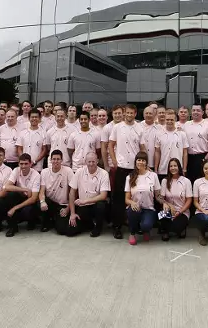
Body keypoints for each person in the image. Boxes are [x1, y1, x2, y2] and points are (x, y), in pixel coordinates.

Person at [109, 104, 144, 239]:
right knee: (118, 198)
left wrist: (144, 166)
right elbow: (111, 145)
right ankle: (117, 226)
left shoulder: (139, 128)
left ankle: (135, 225)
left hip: (135, 169)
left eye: (131, 113)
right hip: (121, 168)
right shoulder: (117, 128)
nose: (129, 115)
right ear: (124, 113)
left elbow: (142, 148)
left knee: (136, 197)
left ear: (135, 113)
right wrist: (114, 161)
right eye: (127, 113)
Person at [62, 152, 110, 237]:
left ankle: (98, 228)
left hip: (96, 205)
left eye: (93, 161)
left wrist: (85, 201)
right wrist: (72, 213)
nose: (91, 164)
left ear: (97, 161)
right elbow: (72, 193)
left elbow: (103, 195)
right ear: (85, 162)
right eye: (89, 161)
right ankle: (88, 224)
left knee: (101, 205)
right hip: (83, 207)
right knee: (70, 232)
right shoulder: (79, 172)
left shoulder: (104, 174)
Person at [0, 153, 41, 236]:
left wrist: (15, 208)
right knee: (7, 198)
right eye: (21, 164)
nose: (23, 166)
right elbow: (7, 186)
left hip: (30, 200)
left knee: (28, 211)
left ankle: (32, 221)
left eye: (26, 164)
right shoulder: (16, 170)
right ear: (18, 164)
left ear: (30, 164)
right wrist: (24, 189)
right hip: (21, 196)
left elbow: (33, 198)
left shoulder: (36, 175)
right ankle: (12, 227)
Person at [125, 152, 161, 245]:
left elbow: (158, 195)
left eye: (143, 160)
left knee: (146, 225)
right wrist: (132, 203)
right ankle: (132, 233)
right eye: (139, 160)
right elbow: (127, 199)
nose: (140, 162)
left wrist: (165, 202)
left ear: (146, 162)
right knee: (132, 211)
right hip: (135, 208)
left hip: (149, 209)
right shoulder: (130, 177)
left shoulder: (153, 176)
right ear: (135, 162)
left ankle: (145, 230)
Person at [39, 150, 74, 233]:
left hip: (62, 205)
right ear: (50, 160)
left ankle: (55, 220)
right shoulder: (44, 172)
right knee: (41, 202)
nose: (56, 161)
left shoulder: (68, 171)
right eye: (54, 159)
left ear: (62, 160)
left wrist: (68, 208)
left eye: (58, 159)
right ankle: (46, 222)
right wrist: (42, 201)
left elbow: (73, 192)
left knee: (61, 230)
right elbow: (41, 192)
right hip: (50, 204)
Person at [183, 105, 208, 181]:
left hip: (202, 157)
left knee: (202, 181)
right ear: (191, 112)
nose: (195, 112)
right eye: (194, 110)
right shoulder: (186, 125)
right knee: (190, 181)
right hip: (188, 158)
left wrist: (206, 158)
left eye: (198, 110)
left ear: (203, 112)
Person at [158, 157, 191, 241]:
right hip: (169, 210)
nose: (173, 168)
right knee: (160, 215)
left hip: (182, 211)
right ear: (168, 168)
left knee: (176, 227)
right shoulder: (165, 181)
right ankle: (166, 231)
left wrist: (180, 211)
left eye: (175, 166)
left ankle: (180, 228)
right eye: (171, 166)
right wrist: (167, 204)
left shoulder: (186, 181)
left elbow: (189, 200)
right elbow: (161, 198)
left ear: (179, 167)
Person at [155, 113, 187, 181]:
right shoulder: (159, 134)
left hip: (178, 169)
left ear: (175, 120)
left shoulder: (182, 134)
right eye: (167, 119)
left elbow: (185, 153)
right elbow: (157, 152)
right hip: (163, 169)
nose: (169, 121)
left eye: (172, 120)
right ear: (165, 120)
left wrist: (184, 168)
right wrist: (156, 168)